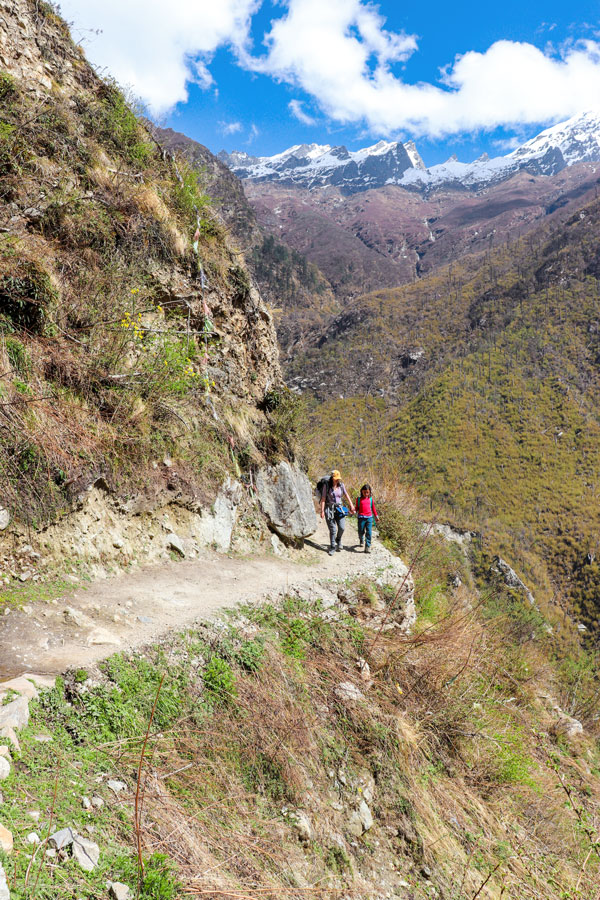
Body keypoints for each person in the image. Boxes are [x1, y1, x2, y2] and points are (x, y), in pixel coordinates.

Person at [320, 470, 355, 556]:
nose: (337, 480)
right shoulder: (326, 486)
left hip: (339, 509)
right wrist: (322, 511)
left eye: (338, 479)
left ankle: (338, 539)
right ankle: (332, 547)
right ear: (332, 478)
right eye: (336, 479)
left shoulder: (341, 485)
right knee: (333, 529)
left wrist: (351, 505)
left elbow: (346, 495)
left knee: (342, 527)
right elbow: (323, 498)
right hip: (329, 509)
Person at [354, 483, 378, 553]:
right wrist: (354, 511)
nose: (366, 494)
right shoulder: (358, 499)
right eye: (364, 492)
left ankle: (367, 546)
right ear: (361, 491)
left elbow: (373, 509)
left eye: (367, 492)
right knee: (360, 531)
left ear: (370, 492)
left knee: (369, 533)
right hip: (361, 518)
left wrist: (376, 516)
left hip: (369, 518)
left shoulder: (371, 499)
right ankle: (361, 539)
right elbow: (357, 508)